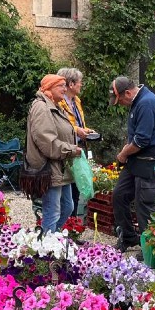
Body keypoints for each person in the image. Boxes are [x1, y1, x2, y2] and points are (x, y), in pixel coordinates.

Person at [110, 76, 155, 253]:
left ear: (128, 93)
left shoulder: (146, 103)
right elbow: (137, 136)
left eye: (120, 100)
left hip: (150, 159)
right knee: (119, 195)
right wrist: (127, 149)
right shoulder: (138, 101)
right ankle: (129, 237)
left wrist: (123, 154)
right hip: (138, 158)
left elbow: (142, 140)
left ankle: (151, 248)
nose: (120, 104)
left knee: (144, 203)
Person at [26, 74, 82, 233]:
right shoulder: (42, 107)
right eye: (61, 86)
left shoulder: (55, 105)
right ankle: (47, 242)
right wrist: (71, 150)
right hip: (49, 169)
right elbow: (47, 142)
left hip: (60, 167)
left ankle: (51, 237)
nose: (65, 89)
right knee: (53, 211)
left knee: (68, 206)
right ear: (49, 87)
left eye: (65, 85)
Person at [56, 67, 95, 216]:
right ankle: (67, 223)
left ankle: (73, 224)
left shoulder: (76, 101)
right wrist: (77, 130)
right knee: (68, 191)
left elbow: (77, 123)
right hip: (67, 148)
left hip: (79, 147)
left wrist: (87, 131)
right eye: (80, 82)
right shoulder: (59, 102)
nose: (81, 84)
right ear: (71, 84)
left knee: (77, 187)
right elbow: (60, 125)